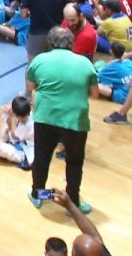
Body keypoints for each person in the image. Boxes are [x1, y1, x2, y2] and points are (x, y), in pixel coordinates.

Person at [25, 27, 97, 212]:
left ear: (50, 42)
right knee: (74, 161)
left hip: (46, 117)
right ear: (71, 43)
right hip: (75, 121)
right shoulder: (85, 63)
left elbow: (31, 86)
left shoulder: (39, 60)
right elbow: (95, 94)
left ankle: (39, 195)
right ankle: (72, 203)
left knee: (42, 157)